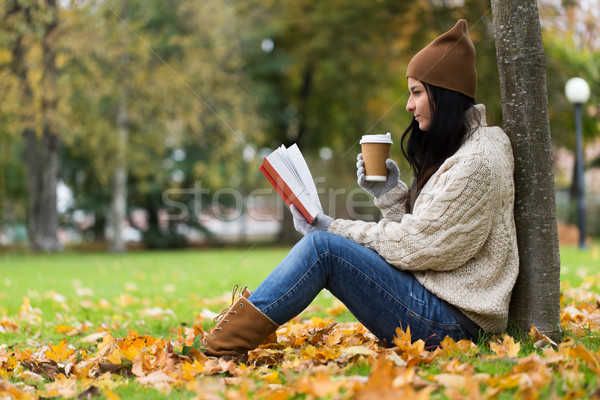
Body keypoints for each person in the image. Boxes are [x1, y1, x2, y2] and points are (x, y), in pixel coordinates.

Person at [201, 19, 519, 357]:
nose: (409, 106)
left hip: (453, 325)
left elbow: (421, 246)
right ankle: (226, 340)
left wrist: (332, 227)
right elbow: (425, 240)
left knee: (323, 248)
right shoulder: (466, 148)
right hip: (438, 305)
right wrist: (389, 193)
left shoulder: (479, 159)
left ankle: (222, 347)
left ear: (444, 94)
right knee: (323, 244)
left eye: (416, 92)